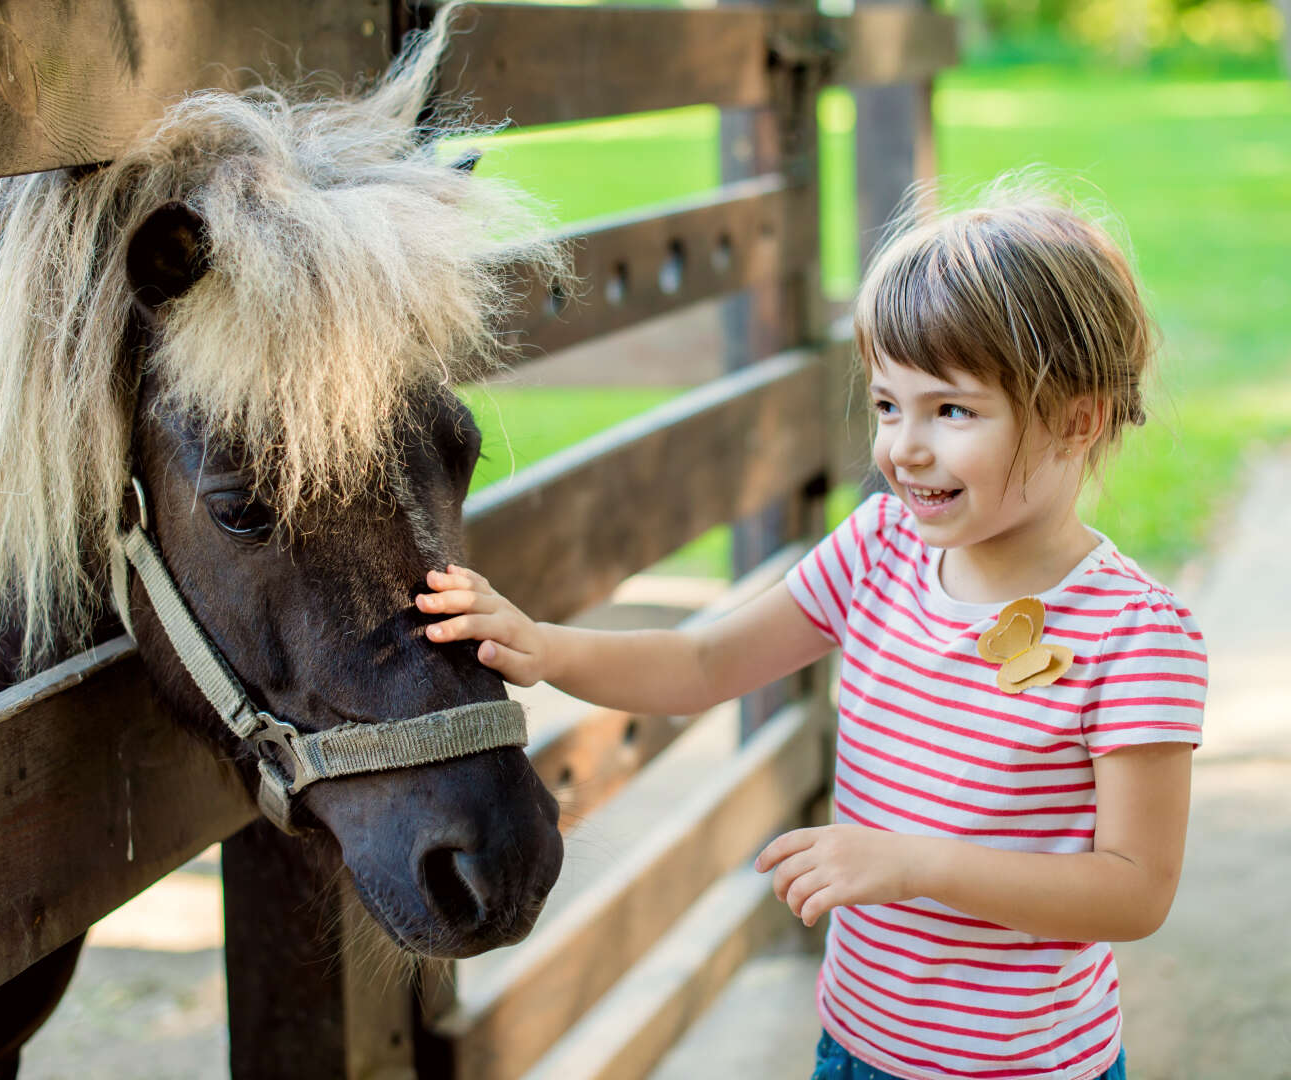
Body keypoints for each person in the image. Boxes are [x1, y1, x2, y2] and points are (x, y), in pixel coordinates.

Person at [417, 176, 1206, 1080]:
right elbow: (705, 661)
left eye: (951, 409)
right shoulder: (880, 551)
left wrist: (914, 866)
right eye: (885, 404)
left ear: (1079, 419)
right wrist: (549, 647)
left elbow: (1134, 889)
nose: (904, 447)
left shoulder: (1133, 636)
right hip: (857, 1047)